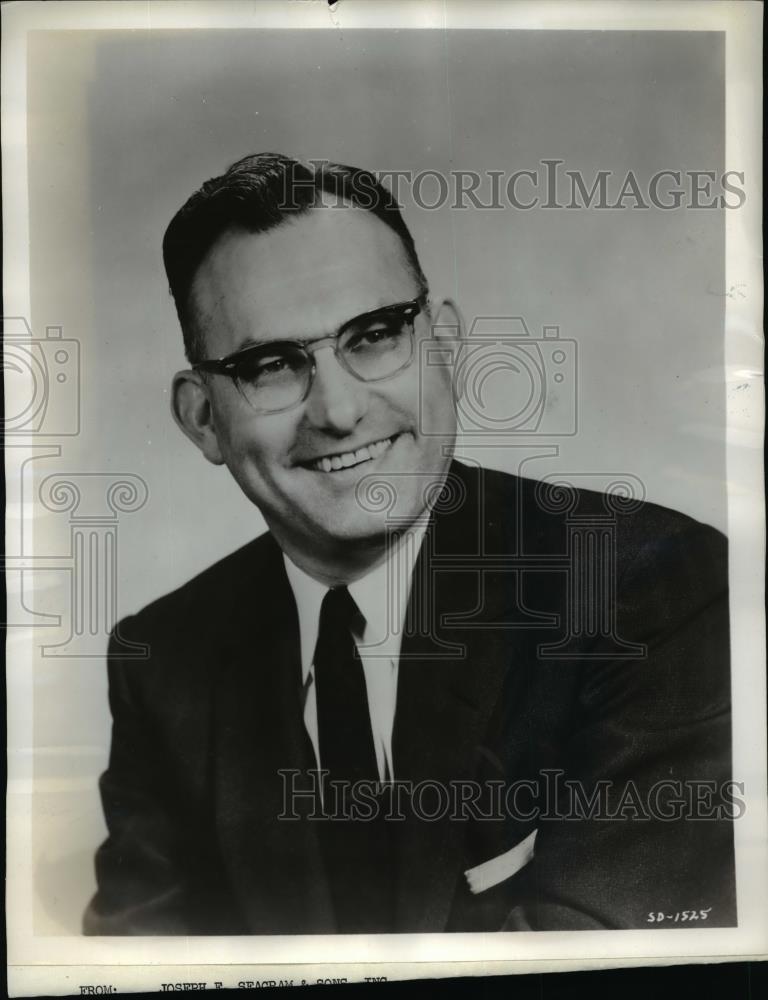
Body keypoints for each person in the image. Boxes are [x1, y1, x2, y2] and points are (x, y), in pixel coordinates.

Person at [84, 153, 736, 935]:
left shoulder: (647, 587)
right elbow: (137, 962)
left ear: (446, 345)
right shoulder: (163, 661)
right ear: (200, 419)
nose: (338, 410)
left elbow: (599, 965)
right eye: (268, 365)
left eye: (375, 335)